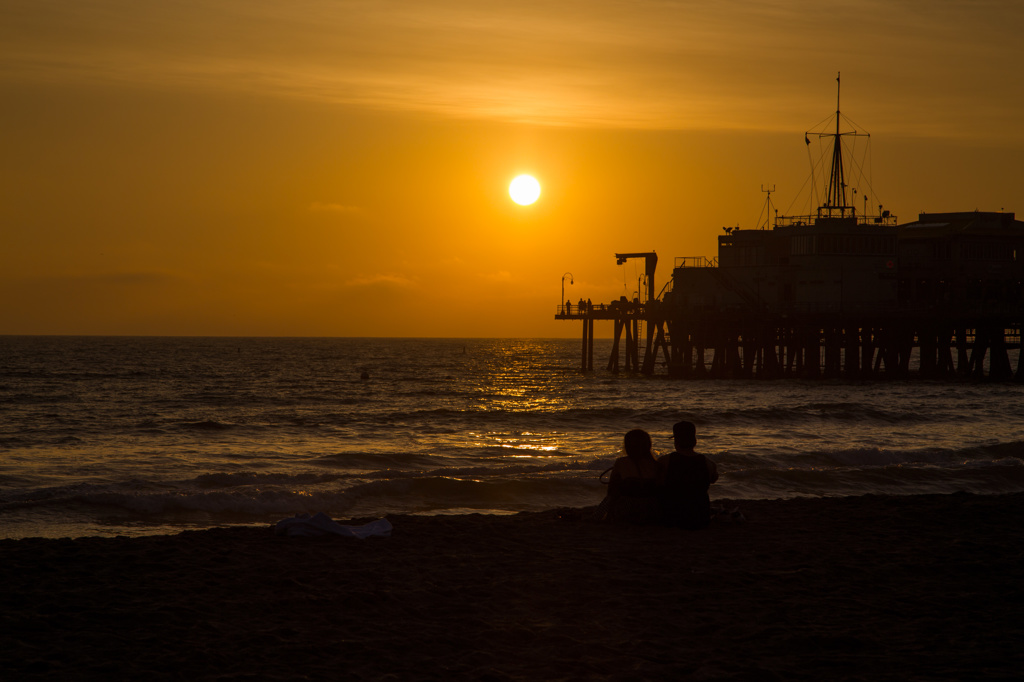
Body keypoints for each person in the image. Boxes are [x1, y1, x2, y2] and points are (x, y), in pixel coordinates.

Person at [657, 421, 718, 530]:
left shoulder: (664, 461)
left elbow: (659, 483)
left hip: (672, 515)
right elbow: (713, 479)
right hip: (700, 516)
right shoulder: (708, 463)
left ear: (676, 441)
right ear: (695, 441)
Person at [595, 429, 661, 523]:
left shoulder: (621, 462)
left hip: (627, 509)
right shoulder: (656, 464)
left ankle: (598, 517)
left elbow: (611, 491)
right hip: (651, 509)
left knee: (611, 495)